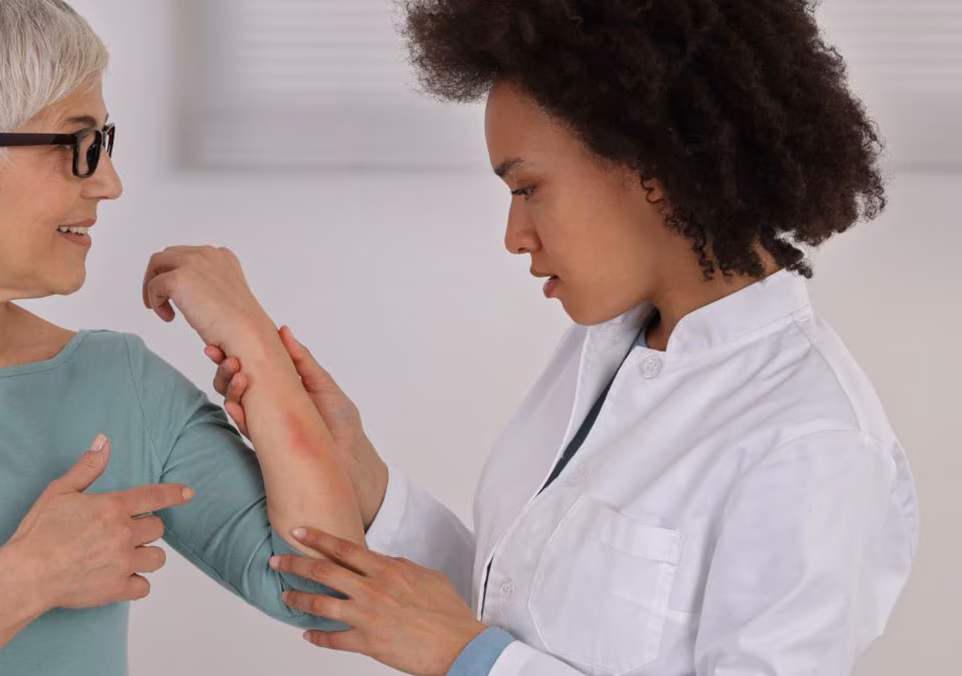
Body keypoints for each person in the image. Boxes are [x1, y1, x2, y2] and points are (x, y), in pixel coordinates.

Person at [200, 1, 919, 674]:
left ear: (655, 169)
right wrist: (368, 484)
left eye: (528, 188)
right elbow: (516, 607)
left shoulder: (814, 444)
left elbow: (482, 646)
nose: (514, 237)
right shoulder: (608, 346)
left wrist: (472, 661)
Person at [0, 2, 361, 674]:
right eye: (77, 146)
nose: (109, 182)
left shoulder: (119, 381)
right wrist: (29, 579)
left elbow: (326, 591)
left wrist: (255, 344)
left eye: (106, 143)